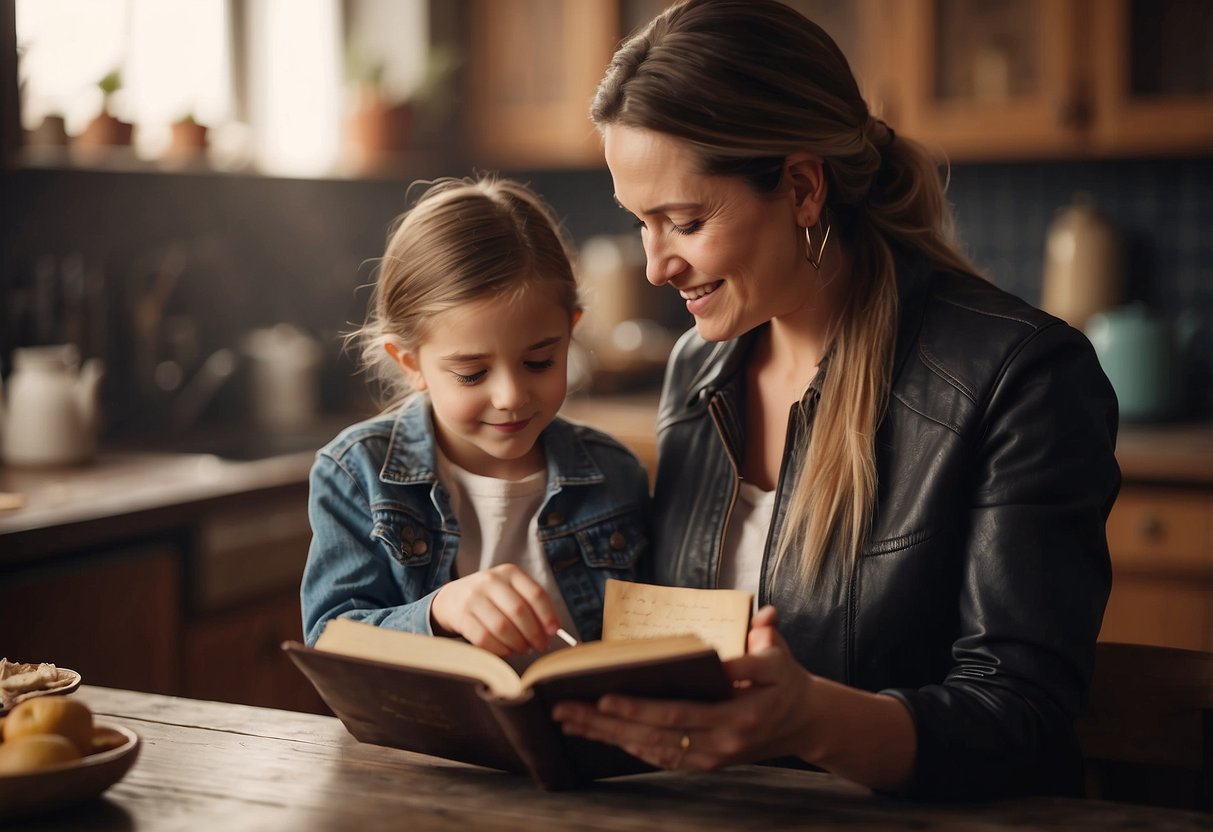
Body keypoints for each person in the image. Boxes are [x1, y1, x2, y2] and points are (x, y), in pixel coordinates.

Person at [551, 0, 1120, 801]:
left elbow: (1020, 719)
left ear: (802, 188)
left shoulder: (1020, 377)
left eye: (682, 221)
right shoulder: (699, 369)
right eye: (641, 222)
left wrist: (810, 721)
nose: (655, 267)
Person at [301, 177, 651, 659]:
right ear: (410, 363)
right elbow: (330, 641)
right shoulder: (356, 475)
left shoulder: (615, 474)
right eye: (471, 373)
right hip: (415, 738)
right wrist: (439, 611)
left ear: (569, 335)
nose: (510, 396)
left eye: (539, 362)